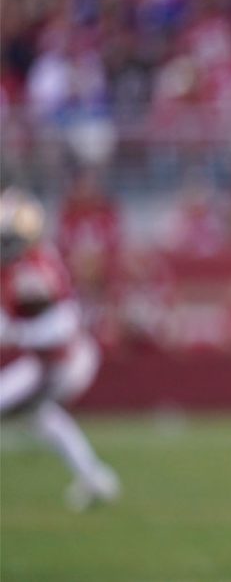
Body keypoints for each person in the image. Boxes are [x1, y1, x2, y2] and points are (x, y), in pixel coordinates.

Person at [0, 187, 120, 511]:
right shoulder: (26, 263)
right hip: (49, 361)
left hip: (62, 362)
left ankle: (96, 478)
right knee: (42, 417)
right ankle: (97, 479)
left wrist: (15, 331)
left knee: (32, 411)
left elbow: (62, 325)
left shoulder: (34, 268)